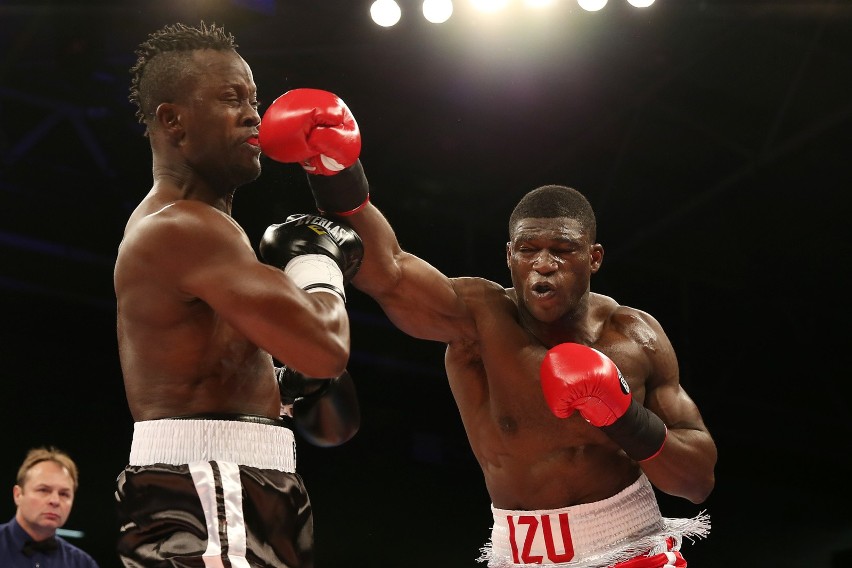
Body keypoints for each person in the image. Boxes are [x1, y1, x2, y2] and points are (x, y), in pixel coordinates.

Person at [257, 89, 718, 567]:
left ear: (593, 258)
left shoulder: (634, 337)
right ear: (509, 256)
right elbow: (390, 271)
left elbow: (696, 480)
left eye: (561, 251)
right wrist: (334, 170)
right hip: (515, 554)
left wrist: (622, 415)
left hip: (631, 551)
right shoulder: (479, 318)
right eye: (528, 251)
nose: (543, 265)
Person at [114, 23, 363, 567]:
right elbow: (325, 347)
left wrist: (277, 386)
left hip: (221, 479)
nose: (254, 114)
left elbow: (201, 370)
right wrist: (317, 260)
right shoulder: (183, 227)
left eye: (254, 98)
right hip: (212, 484)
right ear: (173, 121)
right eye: (231, 98)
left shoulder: (194, 229)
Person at [0, 446, 100, 568]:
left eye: (64, 494)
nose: (55, 501)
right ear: (18, 495)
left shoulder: (83, 564)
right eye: (43, 490)